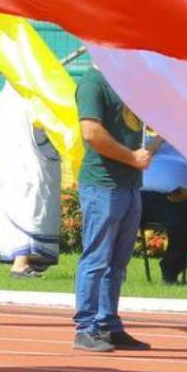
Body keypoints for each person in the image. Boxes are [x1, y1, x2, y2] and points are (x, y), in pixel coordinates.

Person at [73, 66, 157, 352]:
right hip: (103, 185)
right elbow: (92, 133)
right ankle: (86, 327)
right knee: (97, 259)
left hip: (129, 185)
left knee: (117, 262)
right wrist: (132, 158)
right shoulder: (93, 83)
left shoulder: (127, 78)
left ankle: (108, 324)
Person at [0, 84, 61, 277]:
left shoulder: (10, 92)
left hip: (18, 157)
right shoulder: (24, 90)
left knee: (29, 200)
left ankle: (29, 257)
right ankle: (21, 262)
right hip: (28, 158)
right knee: (30, 202)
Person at [139, 141, 187, 285]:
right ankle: (114, 270)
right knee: (118, 213)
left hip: (179, 197)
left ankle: (170, 270)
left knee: (184, 222)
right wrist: (159, 139)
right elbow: (137, 159)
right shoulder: (149, 141)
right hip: (141, 195)